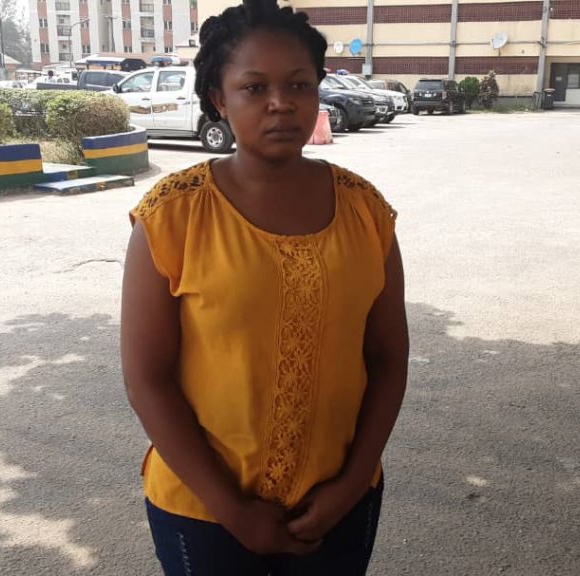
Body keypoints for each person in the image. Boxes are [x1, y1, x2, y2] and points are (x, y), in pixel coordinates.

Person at [120, 0, 409, 573]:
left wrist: (352, 483)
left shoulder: (367, 212)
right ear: (218, 99)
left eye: (299, 84)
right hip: (204, 510)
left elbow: (388, 357)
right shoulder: (172, 216)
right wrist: (232, 510)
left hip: (339, 503)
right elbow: (147, 378)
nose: (281, 102)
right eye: (254, 88)